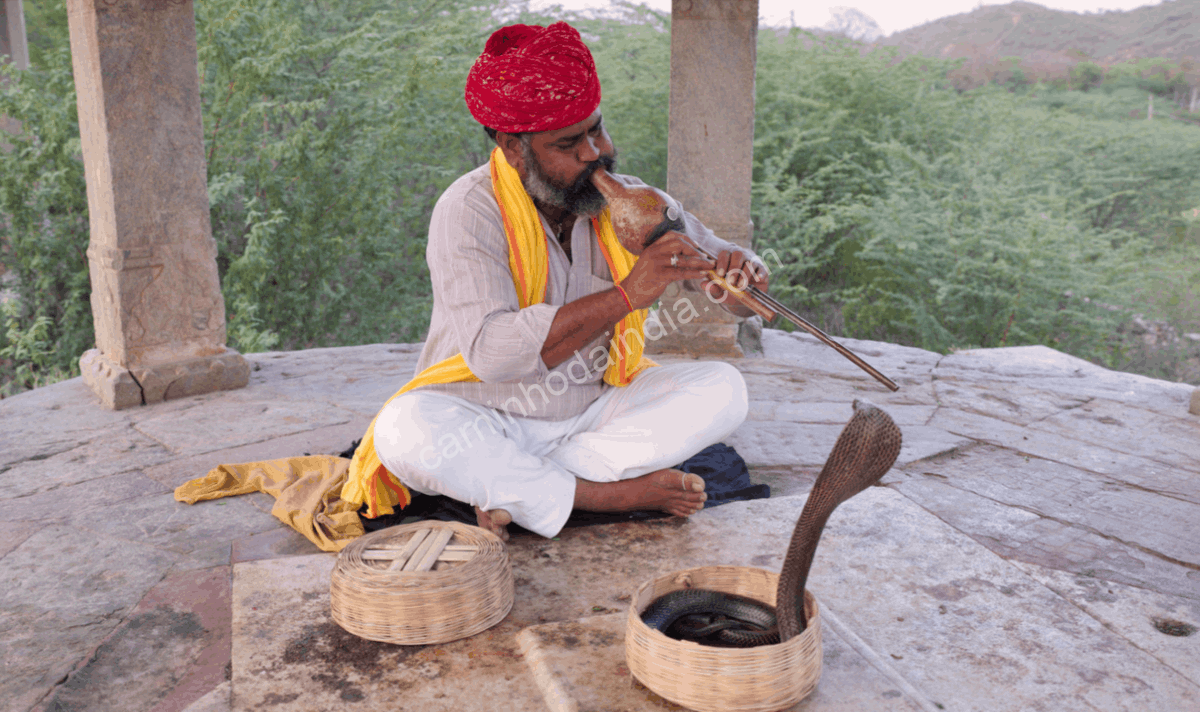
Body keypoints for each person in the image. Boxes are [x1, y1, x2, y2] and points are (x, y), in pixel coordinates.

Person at [364, 21, 770, 540]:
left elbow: (717, 269)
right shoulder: (467, 211)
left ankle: (526, 489)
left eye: (596, 129)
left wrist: (740, 275)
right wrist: (627, 296)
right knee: (404, 430)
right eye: (568, 143)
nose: (593, 153)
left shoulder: (635, 205)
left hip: (594, 412)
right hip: (485, 413)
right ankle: (602, 495)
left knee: (724, 389)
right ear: (514, 148)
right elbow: (491, 353)